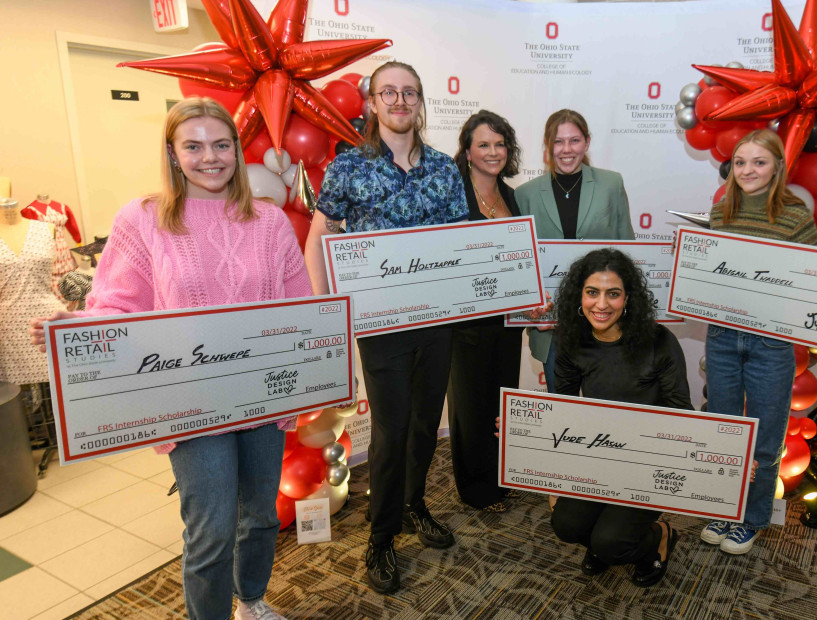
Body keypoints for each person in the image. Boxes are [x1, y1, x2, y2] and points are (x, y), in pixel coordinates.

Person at [29, 97, 311, 620]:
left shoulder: (269, 222)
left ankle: (250, 600)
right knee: (211, 526)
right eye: (194, 145)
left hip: (260, 394)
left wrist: (319, 366)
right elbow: (116, 303)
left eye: (221, 144)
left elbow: (300, 304)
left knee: (262, 516)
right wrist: (74, 328)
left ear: (235, 149)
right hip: (187, 400)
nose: (211, 157)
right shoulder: (143, 218)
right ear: (173, 153)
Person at [304, 61, 467, 595]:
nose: (400, 101)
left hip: (437, 318)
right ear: (372, 102)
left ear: (421, 103)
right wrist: (325, 307)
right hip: (381, 325)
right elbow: (318, 236)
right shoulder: (348, 167)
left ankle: (416, 503)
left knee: (424, 424)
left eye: (410, 92)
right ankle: (382, 536)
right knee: (392, 429)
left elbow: (463, 244)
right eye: (388, 92)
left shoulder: (445, 169)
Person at [698, 129, 817, 555]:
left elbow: (814, 280)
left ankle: (751, 519)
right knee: (724, 430)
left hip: (772, 343)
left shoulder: (795, 215)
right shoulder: (720, 211)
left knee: (767, 434)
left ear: (777, 167)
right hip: (723, 338)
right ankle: (721, 509)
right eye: (741, 162)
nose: (748, 170)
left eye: (759, 162)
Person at [545, 248, 689, 587]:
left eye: (613, 294)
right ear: (579, 295)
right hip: (598, 455)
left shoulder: (658, 341)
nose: (601, 304)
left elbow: (682, 413)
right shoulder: (570, 338)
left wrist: (731, 458)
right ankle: (602, 543)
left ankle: (660, 537)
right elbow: (562, 408)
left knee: (611, 543)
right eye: (592, 292)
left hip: (647, 463)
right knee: (565, 525)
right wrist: (523, 433)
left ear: (628, 298)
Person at [515, 109, 634, 391]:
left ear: (587, 142)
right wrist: (531, 313)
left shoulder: (611, 184)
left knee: (606, 413)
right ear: (547, 146)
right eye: (558, 142)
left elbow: (628, 252)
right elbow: (520, 267)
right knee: (562, 417)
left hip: (605, 323)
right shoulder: (525, 195)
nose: (566, 150)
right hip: (552, 330)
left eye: (574, 140)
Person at [447, 110, 524, 513]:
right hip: (465, 322)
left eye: (499, 144)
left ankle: (500, 477)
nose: (493, 152)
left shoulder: (511, 195)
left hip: (507, 321)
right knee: (470, 407)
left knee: (501, 401)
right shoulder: (452, 195)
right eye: (484, 144)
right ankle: (476, 490)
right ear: (468, 150)